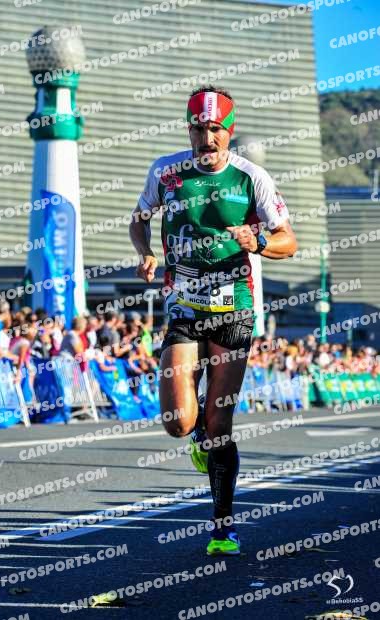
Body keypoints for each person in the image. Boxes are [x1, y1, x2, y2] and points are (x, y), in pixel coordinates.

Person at [129, 85, 298, 555]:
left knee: (219, 424)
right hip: (184, 308)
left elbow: (288, 241)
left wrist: (258, 242)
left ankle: (223, 527)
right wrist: (145, 252)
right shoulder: (165, 172)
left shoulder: (251, 177)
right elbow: (139, 219)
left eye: (215, 130)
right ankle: (197, 426)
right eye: (199, 129)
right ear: (188, 130)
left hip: (233, 310)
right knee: (177, 422)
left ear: (229, 130)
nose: (207, 139)